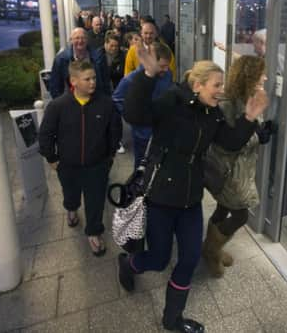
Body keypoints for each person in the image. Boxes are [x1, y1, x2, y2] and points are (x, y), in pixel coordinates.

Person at [117, 53, 268, 333]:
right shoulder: (172, 102)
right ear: (197, 85)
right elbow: (134, 114)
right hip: (161, 197)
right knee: (160, 259)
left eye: (222, 85)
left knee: (187, 259)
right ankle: (129, 262)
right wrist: (146, 76)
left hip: (190, 200)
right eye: (216, 85)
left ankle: (172, 319)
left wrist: (249, 117)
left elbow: (230, 142)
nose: (221, 90)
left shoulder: (212, 113)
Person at [39, 60, 122, 256]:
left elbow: (115, 131)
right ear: (74, 81)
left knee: (96, 201)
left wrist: (109, 157)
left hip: (97, 166)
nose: (93, 82)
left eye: (94, 78)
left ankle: (93, 233)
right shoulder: (58, 106)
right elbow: (45, 134)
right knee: (71, 193)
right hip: (67, 166)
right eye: (88, 79)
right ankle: (71, 208)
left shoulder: (106, 104)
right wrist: (51, 158)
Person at [202, 56, 273, 277]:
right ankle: (212, 251)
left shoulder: (248, 98)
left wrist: (261, 134)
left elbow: (249, 133)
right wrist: (251, 119)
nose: (265, 77)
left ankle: (212, 247)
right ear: (249, 77)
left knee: (223, 209)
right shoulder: (226, 105)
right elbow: (230, 143)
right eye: (261, 73)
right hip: (229, 174)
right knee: (241, 215)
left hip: (241, 172)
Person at [113, 42, 173, 169]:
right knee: (142, 167)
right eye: (162, 66)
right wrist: (133, 117)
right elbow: (117, 99)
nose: (166, 70)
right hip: (143, 133)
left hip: (162, 130)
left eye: (167, 66)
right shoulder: (131, 79)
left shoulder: (167, 75)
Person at [49, 28, 110, 98]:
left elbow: (106, 82)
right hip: (70, 103)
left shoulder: (99, 57)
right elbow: (55, 87)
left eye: (83, 38)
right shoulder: (61, 59)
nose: (80, 41)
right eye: (77, 38)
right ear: (71, 40)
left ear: (87, 40)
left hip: (95, 101)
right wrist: (62, 106)